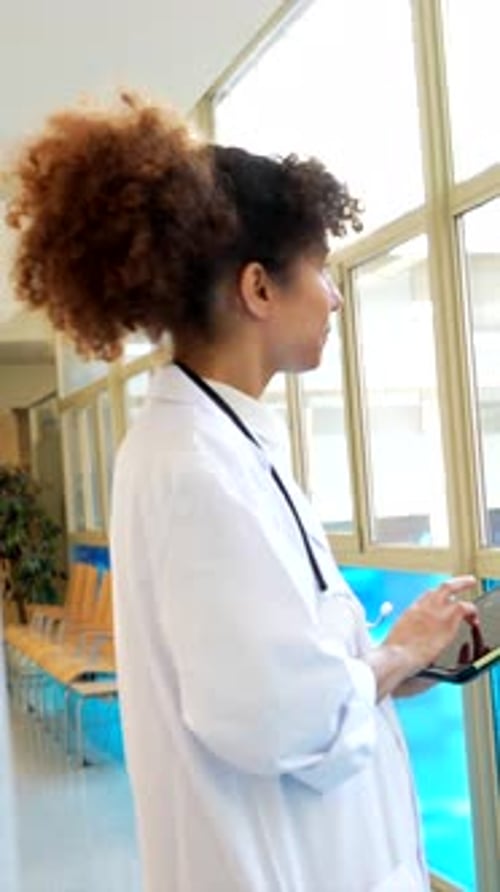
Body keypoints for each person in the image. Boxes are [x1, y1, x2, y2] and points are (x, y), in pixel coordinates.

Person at [7, 94, 479, 892]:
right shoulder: (195, 470)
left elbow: (284, 674)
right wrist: (400, 650)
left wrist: (397, 653)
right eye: (320, 270)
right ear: (259, 288)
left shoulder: (219, 443)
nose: (332, 297)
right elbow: (286, 722)